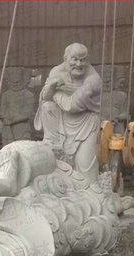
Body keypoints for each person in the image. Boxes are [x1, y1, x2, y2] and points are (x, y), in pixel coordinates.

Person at [34, 43, 101, 182]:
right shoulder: (56, 71)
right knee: (47, 106)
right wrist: (50, 90)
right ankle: (51, 140)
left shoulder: (93, 79)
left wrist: (54, 92)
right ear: (65, 59)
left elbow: (72, 105)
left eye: (83, 60)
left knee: (86, 168)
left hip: (85, 123)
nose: (79, 64)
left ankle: (87, 191)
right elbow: (45, 97)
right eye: (74, 59)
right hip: (60, 121)